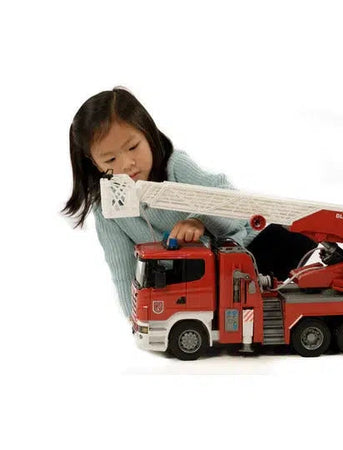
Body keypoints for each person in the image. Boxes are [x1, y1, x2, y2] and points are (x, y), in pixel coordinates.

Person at [63, 87, 316, 318]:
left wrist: (199, 220)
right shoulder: (106, 206)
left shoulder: (176, 167)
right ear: (93, 162)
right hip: (197, 276)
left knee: (297, 245)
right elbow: (122, 268)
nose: (127, 164)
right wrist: (136, 317)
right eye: (110, 160)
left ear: (148, 133)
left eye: (133, 147)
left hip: (246, 246)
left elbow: (233, 206)